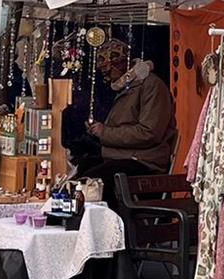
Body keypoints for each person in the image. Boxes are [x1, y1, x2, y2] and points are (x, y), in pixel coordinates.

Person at [74, 39, 177, 179]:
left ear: (121, 65)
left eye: (109, 70)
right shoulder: (126, 88)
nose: (107, 76)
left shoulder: (152, 86)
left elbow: (149, 133)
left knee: (93, 180)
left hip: (143, 161)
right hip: (119, 157)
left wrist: (105, 132)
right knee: (80, 169)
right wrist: (98, 131)